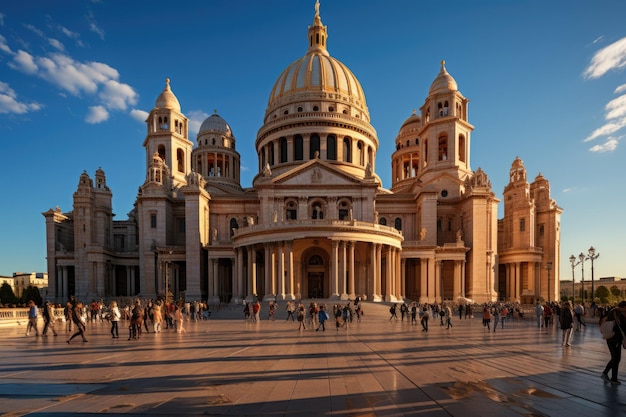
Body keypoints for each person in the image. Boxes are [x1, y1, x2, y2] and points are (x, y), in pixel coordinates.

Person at [600, 301, 626, 385]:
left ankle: (606, 373)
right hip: (615, 339)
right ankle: (613, 378)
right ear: (624, 307)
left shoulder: (613, 311)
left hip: (610, 338)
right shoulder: (619, 314)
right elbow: (623, 328)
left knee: (615, 358)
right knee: (616, 358)